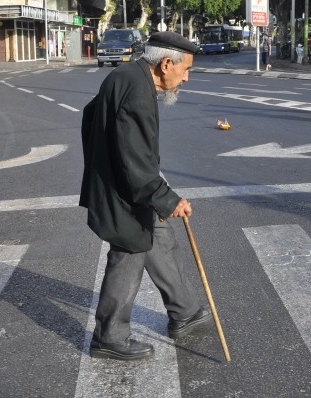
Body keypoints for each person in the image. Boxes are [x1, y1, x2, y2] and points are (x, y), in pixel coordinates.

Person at [79, 31, 213, 361]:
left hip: (123, 181)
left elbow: (91, 115)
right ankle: (110, 336)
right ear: (166, 64)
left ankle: (185, 311)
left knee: (160, 237)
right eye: (186, 70)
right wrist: (167, 198)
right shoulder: (137, 91)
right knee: (130, 251)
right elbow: (135, 161)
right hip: (124, 189)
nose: (187, 77)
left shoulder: (125, 75)